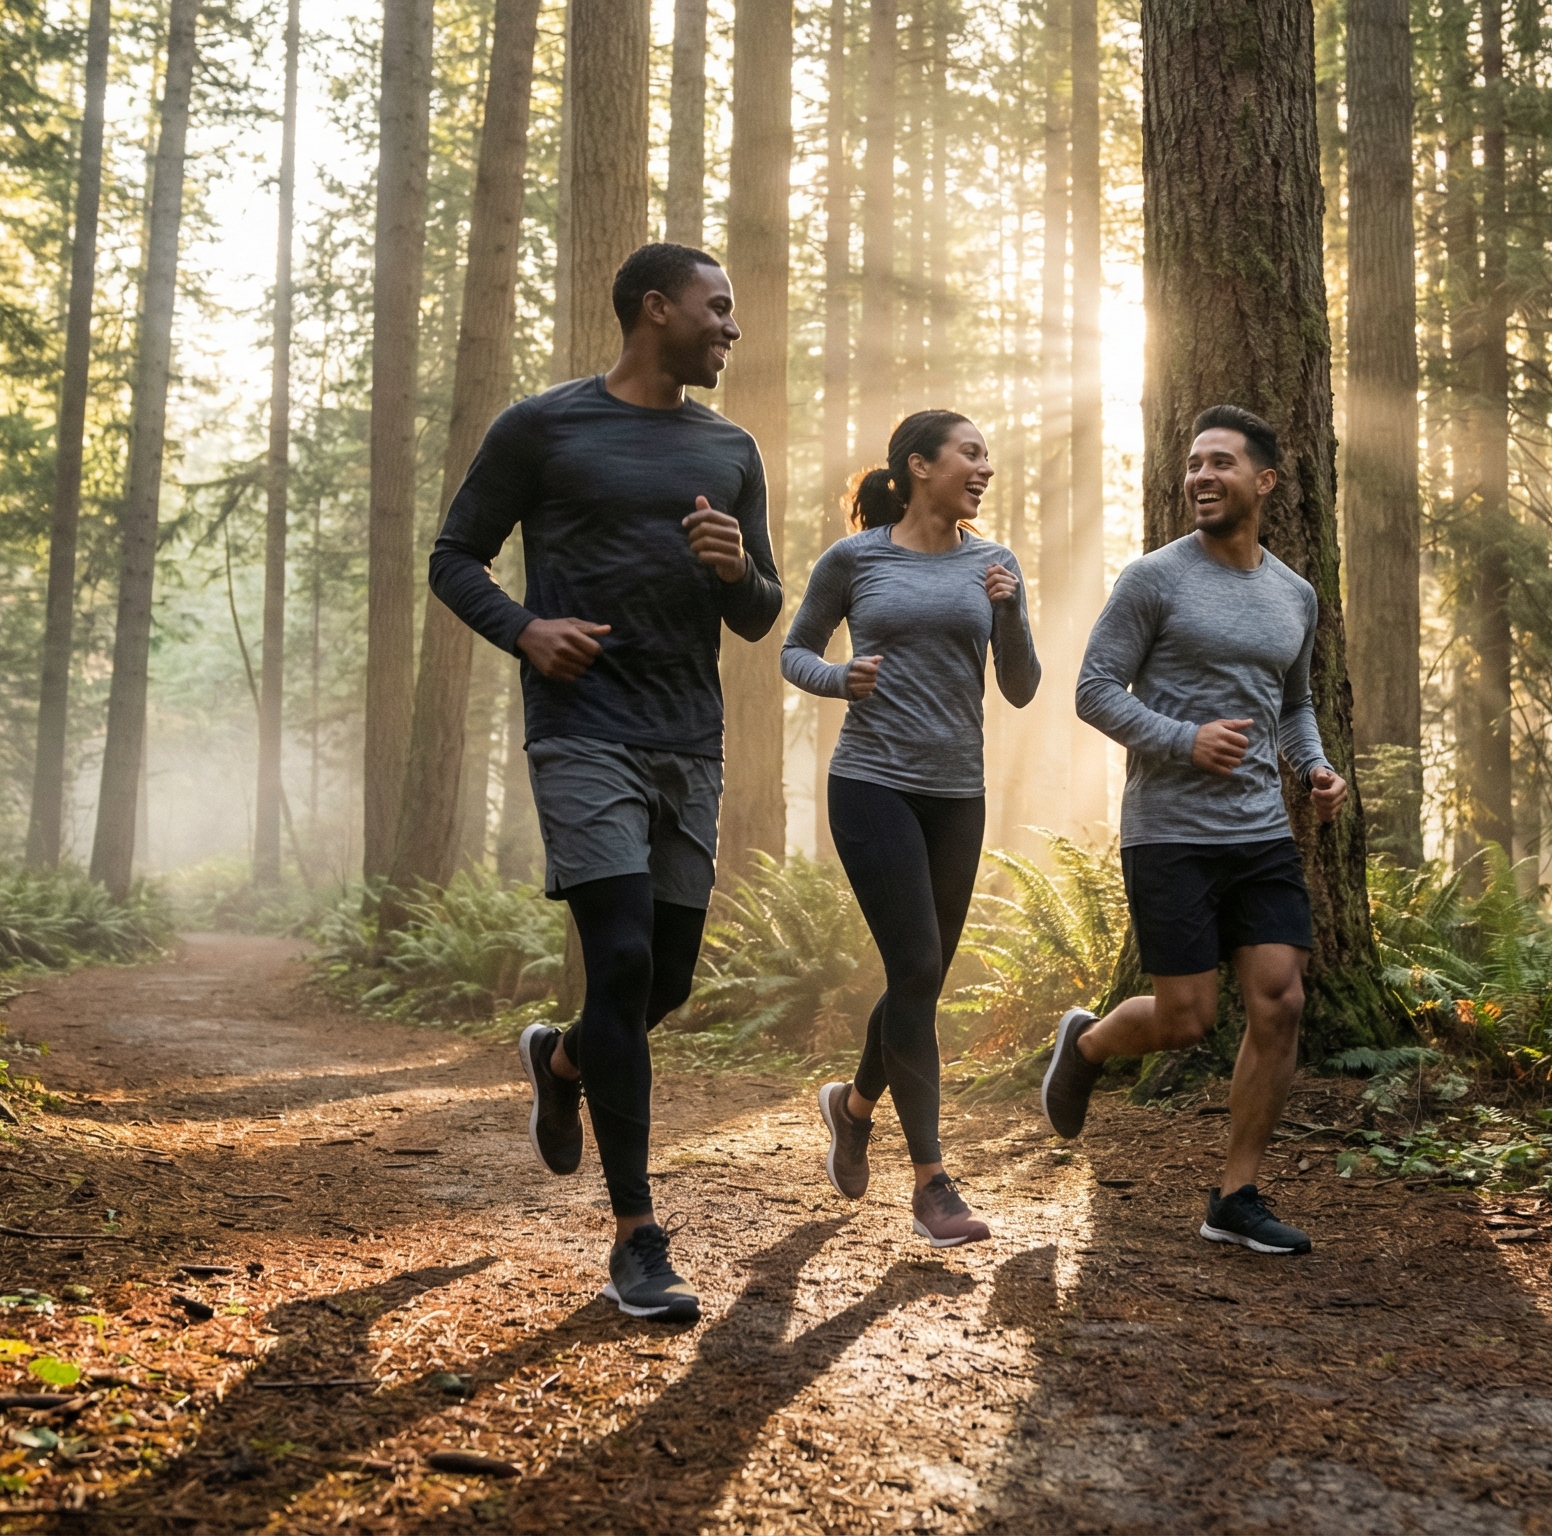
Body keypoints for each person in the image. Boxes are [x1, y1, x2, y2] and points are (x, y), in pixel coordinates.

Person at [426, 243, 783, 1322]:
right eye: (717, 308)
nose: (729, 327)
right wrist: (526, 631)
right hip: (584, 733)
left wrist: (736, 570)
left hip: (690, 737)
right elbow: (453, 557)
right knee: (620, 955)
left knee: (662, 982)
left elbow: (762, 613)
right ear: (655, 308)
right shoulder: (544, 427)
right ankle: (638, 1235)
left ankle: (564, 1058)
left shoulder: (731, 448)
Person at [1036, 403, 1348, 1257]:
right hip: (1169, 829)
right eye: (1194, 464)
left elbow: (1293, 705)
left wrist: (1312, 768)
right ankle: (1090, 1043)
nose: (1202, 477)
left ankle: (1235, 1195)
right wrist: (1183, 739)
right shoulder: (1154, 579)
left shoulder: (1295, 594)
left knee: (1280, 1000)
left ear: (1266, 482)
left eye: (1222, 464)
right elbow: (1094, 689)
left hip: (1259, 832)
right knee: (1185, 1021)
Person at [785, 411, 1040, 1248]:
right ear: (920, 466)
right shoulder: (857, 559)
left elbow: (1022, 687)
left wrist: (1010, 613)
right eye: (970, 454)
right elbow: (797, 650)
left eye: (986, 456)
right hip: (871, 785)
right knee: (920, 964)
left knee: (915, 980)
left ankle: (853, 1109)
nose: (984, 468)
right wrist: (838, 678)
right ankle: (932, 1183)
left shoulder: (995, 564)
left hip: (955, 793)